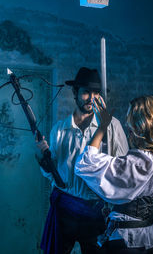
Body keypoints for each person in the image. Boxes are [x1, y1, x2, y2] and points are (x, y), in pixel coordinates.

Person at [36, 67, 129, 254]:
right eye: (86, 92)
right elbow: (51, 172)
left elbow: (123, 169)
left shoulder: (112, 126)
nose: (92, 98)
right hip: (65, 209)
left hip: (96, 212)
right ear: (75, 92)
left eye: (96, 93)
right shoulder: (60, 129)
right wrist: (43, 159)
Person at [75, 95, 153, 254]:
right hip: (150, 238)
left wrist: (102, 127)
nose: (126, 124)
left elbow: (86, 163)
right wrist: (119, 207)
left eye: (130, 118)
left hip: (127, 241)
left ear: (141, 125)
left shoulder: (138, 163)